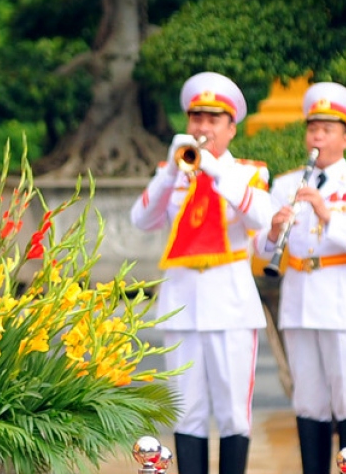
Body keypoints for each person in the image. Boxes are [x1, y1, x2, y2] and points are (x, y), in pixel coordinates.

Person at [130, 72, 272, 474]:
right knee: (186, 412)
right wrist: (170, 173)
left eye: (213, 120)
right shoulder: (173, 172)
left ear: (231, 128)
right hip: (182, 304)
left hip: (230, 305)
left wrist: (212, 169)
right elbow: (141, 219)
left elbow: (261, 216)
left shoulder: (248, 172)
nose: (202, 128)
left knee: (233, 414)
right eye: (196, 119)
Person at [253, 82, 346, 474]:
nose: (317, 136)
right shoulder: (285, 184)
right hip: (298, 299)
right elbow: (259, 249)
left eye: (327, 130)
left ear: (345, 138)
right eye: (312, 129)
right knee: (307, 400)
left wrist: (328, 215)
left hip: (343, 302)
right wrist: (274, 231)